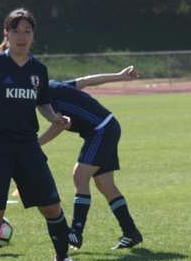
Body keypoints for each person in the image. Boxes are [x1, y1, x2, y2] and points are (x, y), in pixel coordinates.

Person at [0, 8, 88, 261]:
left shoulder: (38, 70)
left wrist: (55, 118)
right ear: (6, 34)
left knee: (53, 209)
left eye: (27, 31)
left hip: (28, 147)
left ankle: (62, 258)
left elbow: (43, 103)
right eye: (16, 31)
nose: (22, 37)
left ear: (33, 35)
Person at [38, 66, 143, 250]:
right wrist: (119, 76)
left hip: (100, 129)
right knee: (104, 183)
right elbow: (86, 80)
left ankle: (76, 232)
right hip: (107, 125)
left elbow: (59, 125)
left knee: (80, 176)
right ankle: (131, 232)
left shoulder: (45, 93)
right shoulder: (52, 85)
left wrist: (34, 144)